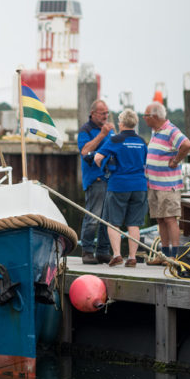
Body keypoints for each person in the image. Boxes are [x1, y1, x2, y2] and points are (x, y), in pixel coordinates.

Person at [94, 108, 147, 267]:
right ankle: (132, 257)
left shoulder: (115, 140)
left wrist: (104, 168)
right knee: (134, 223)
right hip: (139, 185)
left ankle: (117, 254)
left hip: (119, 185)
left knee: (113, 222)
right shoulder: (142, 141)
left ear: (122, 123)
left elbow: (97, 157)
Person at [143, 101, 190, 262]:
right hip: (154, 184)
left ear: (155, 116)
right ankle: (163, 255)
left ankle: (175, 256)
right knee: (160, 219)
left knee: (170, 219)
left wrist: (176, 160)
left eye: (146, 115)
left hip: (167, 185)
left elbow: (186, 144)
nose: (144, 118)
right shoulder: (155, 131)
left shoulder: (171, 130)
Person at [77, 99, 115, 264]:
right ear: (93, 114)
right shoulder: (85, 130)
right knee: (93, 216)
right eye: (102, 113)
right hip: (95, 179)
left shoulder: (111, 130)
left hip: (111, 179)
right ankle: (87, 251)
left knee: (108, 218)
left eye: (107, 113)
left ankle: (103, 251)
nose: (106, 116)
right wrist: (102, 135)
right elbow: (85, 151)